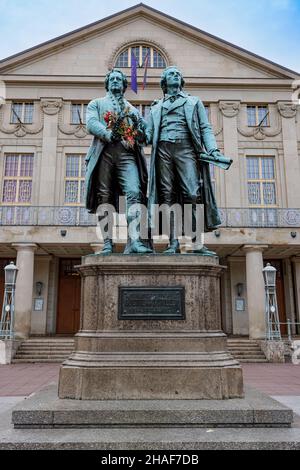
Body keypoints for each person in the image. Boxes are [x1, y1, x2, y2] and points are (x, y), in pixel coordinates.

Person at [146, 66, 232, 254]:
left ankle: (197, 242)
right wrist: (128, 131)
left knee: (192, 194)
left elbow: (205, 128)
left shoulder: (193, 102)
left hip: (186, 149)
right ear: (164, 82)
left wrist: (213, 150)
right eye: (171, 74)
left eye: (178, 74)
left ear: (181, 81)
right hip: (163, 150)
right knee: (167, 196)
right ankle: (173, 243)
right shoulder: (156, 106)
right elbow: (146, 135)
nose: (175, 76)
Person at [85, 68, 152, 254]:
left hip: (127, 155)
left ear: (124, 85)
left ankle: (136, 241)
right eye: (112, 79)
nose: (115, 81)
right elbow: (91, 123)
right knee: (104, 197)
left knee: (134, 192)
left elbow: (145, 135)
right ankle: (107, 243)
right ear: (107, 84)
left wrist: (139, 134)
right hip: (104, 153)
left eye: (118, 79)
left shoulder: (132, 110)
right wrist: (108, 134)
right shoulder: (96, 104)